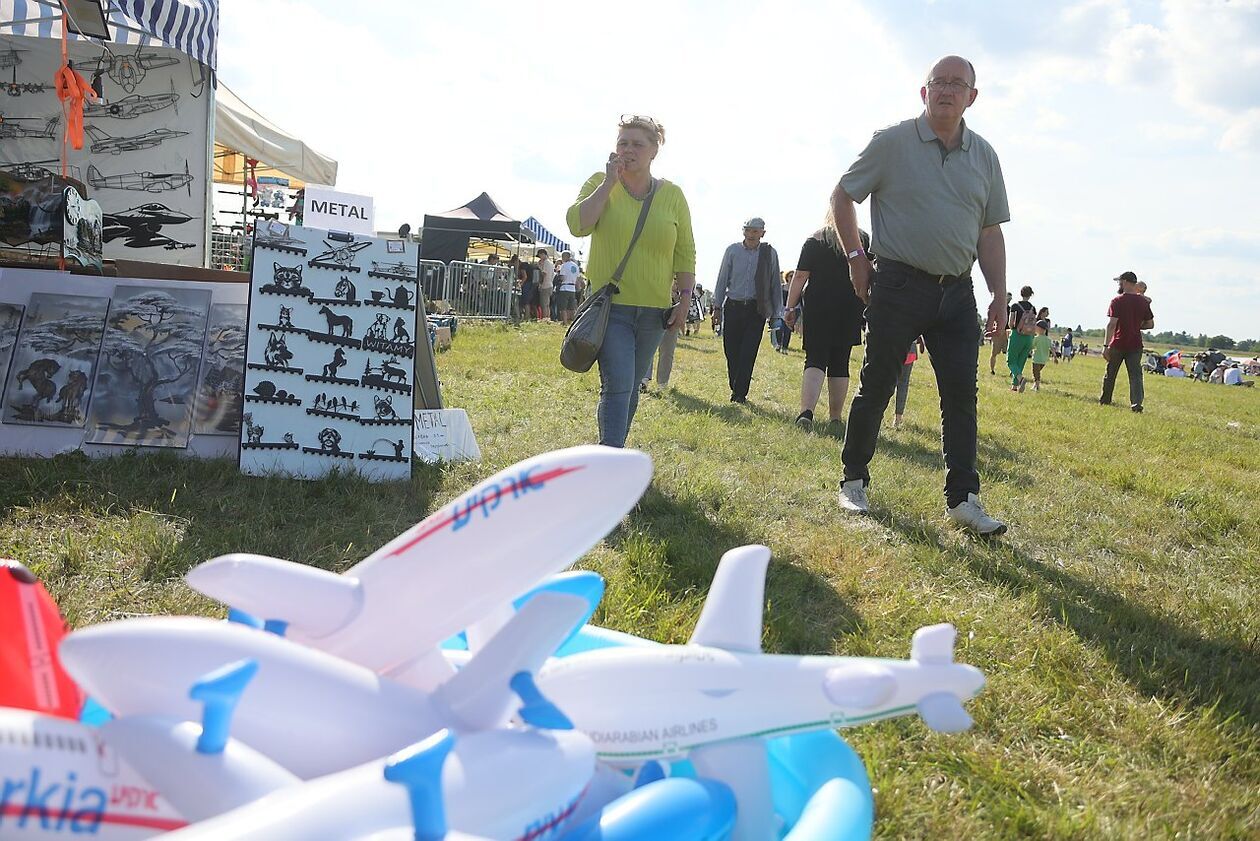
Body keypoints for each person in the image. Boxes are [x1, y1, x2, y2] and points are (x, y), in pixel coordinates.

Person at [830, 54, 1010, 536]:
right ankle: (853, 482)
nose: (947, 90)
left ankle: (964, 500)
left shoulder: (985, 156)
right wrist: (856, 258)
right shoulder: (892, 142)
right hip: (898, 283)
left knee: (961, 395)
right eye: (939, 82)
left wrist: (998, 294)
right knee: (878, 384)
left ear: (973, 97)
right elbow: (843, 195)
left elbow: (989, 232)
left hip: (958, 293)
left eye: (958, 84)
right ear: (924, 91)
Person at [566, 114, 695, 447]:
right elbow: (578, 224)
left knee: (632, 385)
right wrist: (609, 184)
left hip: (654, 311)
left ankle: (613, 454)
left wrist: (684, 300)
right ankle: (610, 459)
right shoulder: (600, 182)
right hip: (611, 308)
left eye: (637, 144)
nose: (628, 150)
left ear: (654, 151)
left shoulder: (673, 195)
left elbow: (685, 252)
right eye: (623, 143)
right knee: (619, 385)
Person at [784, 218, 868, 434]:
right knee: (841, 361)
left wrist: (790, 307)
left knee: (815, 358)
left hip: (819, 306)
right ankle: (835, 417)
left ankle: (806, 412)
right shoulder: (862, 240)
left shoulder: (814, 240)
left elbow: (800, 276)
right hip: (850, 306)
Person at [712, 217, 783, 403]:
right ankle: (735, 385)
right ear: (743, 231)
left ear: (762, 233)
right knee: (731, 351)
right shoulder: (732, 251)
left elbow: (775, 284)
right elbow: (722, 279)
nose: (751, 234)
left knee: (748, 352)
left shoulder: (769, 253)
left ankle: (740, 393)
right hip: (733, 306)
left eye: (755, 231)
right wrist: (717, 307)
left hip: (755, 309)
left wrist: (777, 314)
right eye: (748, 230)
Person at [1099, 270, 1155, 412]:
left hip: (1118, 343)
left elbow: (1112, 325)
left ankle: (1105, 400)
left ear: (1124, 282)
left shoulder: (1117, 301)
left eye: (1119, 281)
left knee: (1110, 374)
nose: (1119, 284)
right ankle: (1136, 403)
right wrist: (1135, 325)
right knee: (1135, 376)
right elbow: (1150, 324)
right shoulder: (1143, 302)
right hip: (1135, 344)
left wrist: (1105, 346)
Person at [1006, 286, 1036, 392]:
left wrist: (1011, 329)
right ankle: (1014, 386)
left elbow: (1011, 323)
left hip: (1017, 335)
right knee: (1020, 362)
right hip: (1028, 338)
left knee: (1011, 361)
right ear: (1030, 295)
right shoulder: (1033, 308)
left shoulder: (1015, 306)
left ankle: (1020, 378)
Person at [893, 337, 926, 429]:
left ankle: (880, 415)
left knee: (887, 382)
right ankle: (898, 419)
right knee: (903, 384)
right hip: (910, 348)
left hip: (893, 346)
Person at [989, 291, 1012, 375]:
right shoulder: (998, 307)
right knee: (994, 352)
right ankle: (992, 370)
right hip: (998, 332)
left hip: (1007, 332)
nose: (1009, 299)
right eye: (1008, 297)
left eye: (1010, 298)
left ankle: (1011, 371)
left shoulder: (1010, 309)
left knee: (1010, 353)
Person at [555, 251, 581, 323]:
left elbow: (562, 278)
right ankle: (571, 321)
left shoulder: (564, 265)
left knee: (563, 307)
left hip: (565, 287)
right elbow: (578, 278)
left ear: (564, 257)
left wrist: (558, 273)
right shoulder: (575, 266)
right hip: (572, 288)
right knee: (571, 307)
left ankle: (565, 322)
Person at [1030, 320, 1052, 391]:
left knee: (1035, 373)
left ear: (1039, 329)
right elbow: (1052, 348)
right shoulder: (1048, 339)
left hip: (1036, 359)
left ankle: (1037, 386)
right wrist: (1055, 357)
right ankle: (1035, 385)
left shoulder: (1036, 338)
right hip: (1044, 360)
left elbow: (1031, 346)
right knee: (1037, 372)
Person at [536, 248, 554, 321]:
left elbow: (544, 274)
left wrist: (540, 284)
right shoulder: (550, 263)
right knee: (547, 304)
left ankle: (545, 318)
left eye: (540, 255)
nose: (540, 257)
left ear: (543, 254)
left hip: (545, 285)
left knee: (544, 304)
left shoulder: (546, 263)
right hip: (550, 284)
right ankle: (547, 317)